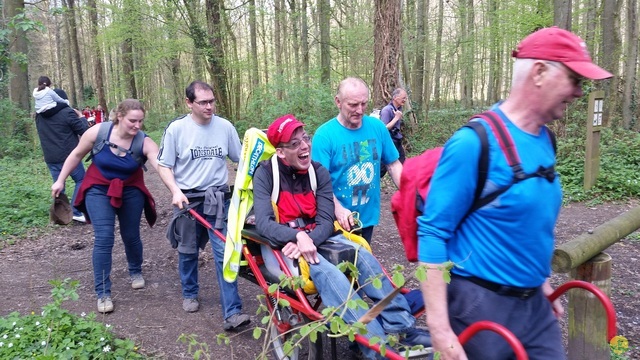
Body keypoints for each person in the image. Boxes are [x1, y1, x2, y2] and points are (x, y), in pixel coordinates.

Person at [417, 27, 613, 360]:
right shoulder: (473, 144)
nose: (579, 92)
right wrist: (440, 331)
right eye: (574, 79)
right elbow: (434, 232)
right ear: (539, 72)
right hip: (480, 305)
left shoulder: (545, 140)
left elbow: (525, 223)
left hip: (534, 304)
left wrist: (539, 281)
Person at [253, 115, 431, 359]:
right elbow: (263, 222)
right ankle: (377, 347)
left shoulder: (318, 172)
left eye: (305, 138)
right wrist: (295, 236)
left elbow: (327, 220)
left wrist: (307, 240)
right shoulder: (265, 174)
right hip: (282, 245)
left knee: (364, 257)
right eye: (294, 144)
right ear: (281, 152)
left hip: (317, 236)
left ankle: (402, 327)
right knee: (331, 275)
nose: (304, 146)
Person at [156, 80, 250, 330]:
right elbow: (164, 165)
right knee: (188, 251)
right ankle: (189, 292)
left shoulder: (225, 126)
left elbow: (240, 159)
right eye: (203, 102)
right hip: (187, 200)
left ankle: (233, 312)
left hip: (218, 198)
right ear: (189, 103)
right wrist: (175, 191)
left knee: (224, 254)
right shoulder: (176, 129)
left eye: (212, 101)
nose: (210, 107)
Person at [51, 99, 160, 314]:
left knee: (131, 235)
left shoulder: (144, 142)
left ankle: (135, 271)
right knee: (104, 237)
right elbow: (76, 155)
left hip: (131, 189)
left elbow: (159, 165)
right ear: (119, 116)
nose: (137, 126)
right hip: (98, 189)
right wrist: (60, 179)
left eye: (140, 121)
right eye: (132, 121)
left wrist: (176, 188)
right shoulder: (97, 132)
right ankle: (103, 292)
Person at [311, 77, 402, 244]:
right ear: (338, 102)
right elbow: (317, 183)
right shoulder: (324, 136)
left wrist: (410, 193)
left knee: (364, 263)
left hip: (367, 216)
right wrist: (337, 209)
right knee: (342, 268)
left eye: (364, 104)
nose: (359, 110)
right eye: (353, 105)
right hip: (335, 219)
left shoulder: (377, 127)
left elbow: (393, 164)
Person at [36, 88, 89, 223]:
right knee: (81, 180)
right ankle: (76, 211)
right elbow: (84, 131)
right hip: (69, 156)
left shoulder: (39, 115)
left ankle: (60, 215)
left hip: (51, 157)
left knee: (59, 185)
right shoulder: (67, 112)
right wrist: (82, 118)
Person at [379, 88, 407, 179]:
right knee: (381, 169)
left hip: (397, 141)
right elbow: (384, 128)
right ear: (395, 97)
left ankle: (408, 188)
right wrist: (396, 118)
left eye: (405, 98)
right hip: (388, 143)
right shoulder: (386, 110)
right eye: (403, 98)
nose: (405, 100)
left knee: (403, 165)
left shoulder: (398, 109)